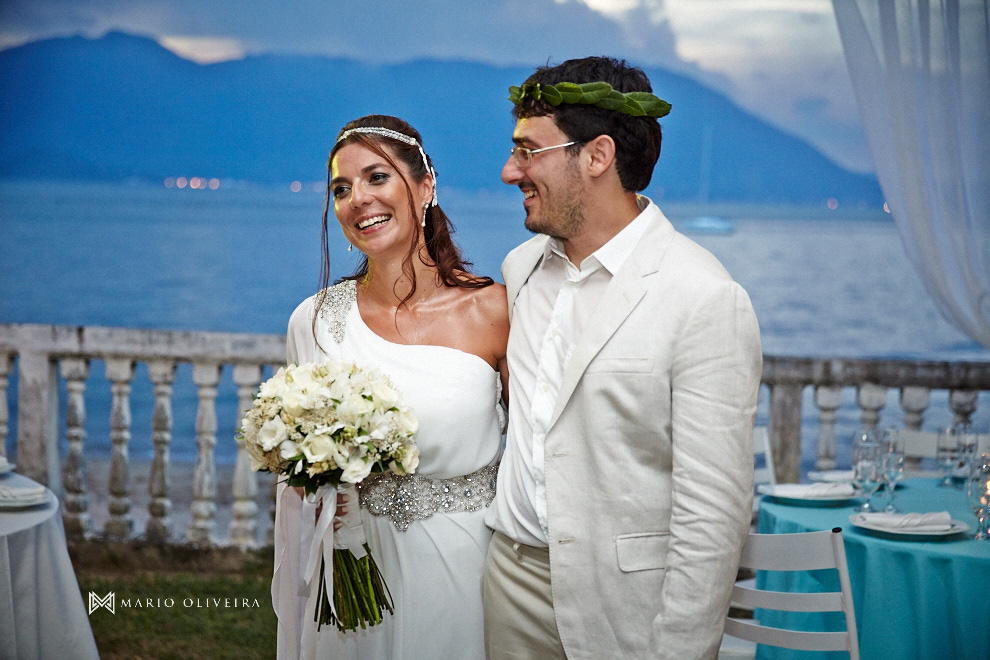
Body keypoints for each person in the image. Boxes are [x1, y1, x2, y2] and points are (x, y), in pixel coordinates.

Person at [483, 57, 763, 659]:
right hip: (509, 582)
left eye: (528, 151)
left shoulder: (704, 297)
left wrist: (683, 647)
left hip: (625, 604)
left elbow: (713, 512)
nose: (510, 172)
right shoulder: (521, 269)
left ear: (596, 155)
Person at [273, 114, 509, 660]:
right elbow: (294, 470)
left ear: (425, 186)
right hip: (350, 566)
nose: (358, 199)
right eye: (341, 188)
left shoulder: (495, 310)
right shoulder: (313, 321)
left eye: (377, 177)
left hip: (463, 566)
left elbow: (537, 452)